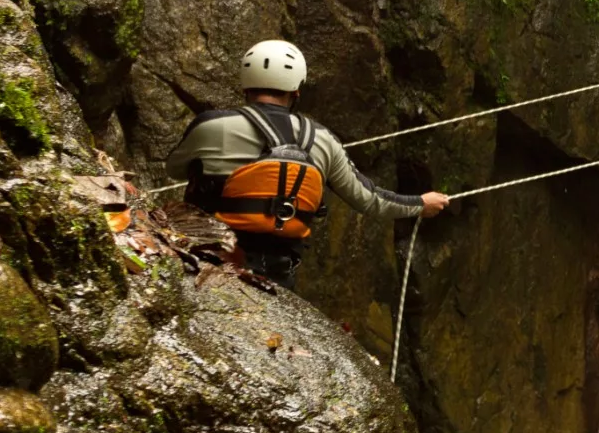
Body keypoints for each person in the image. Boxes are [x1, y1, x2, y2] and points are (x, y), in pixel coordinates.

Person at [165, 40, 447, 289]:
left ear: (245, 86)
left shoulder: (212, 125)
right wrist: (420, 203)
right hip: (278, 270)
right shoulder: (324, 141)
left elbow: (174, 169)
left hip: (208, 257)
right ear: (296, 91)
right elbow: (369, 199)